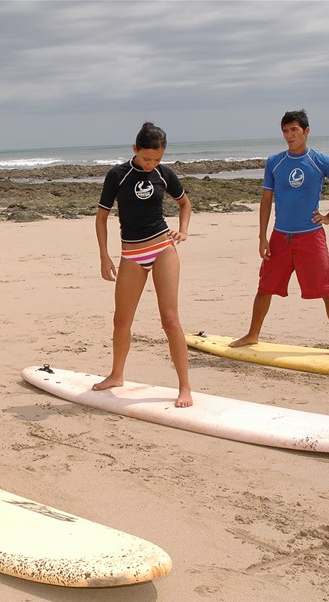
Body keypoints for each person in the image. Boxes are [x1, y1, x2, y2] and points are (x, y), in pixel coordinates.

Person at [229, 109, 329, 359]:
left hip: (311, 236)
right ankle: (252, 334)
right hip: (280, 237)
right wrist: (262, 237)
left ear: (306, 131)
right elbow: (267, 199)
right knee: (265, 287)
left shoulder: (320, 161)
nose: (289, 135)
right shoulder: (275, 162)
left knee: (328, 290)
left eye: (294, 130)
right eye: (285, 131)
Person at [92, 122, 194, 407]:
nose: (152, 164)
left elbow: (185, 204)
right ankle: (116, 375)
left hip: (163, 249)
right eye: (147, 158)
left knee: (170, 319)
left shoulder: (164, 173)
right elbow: (101, 218)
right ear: (135, 149)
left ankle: (184, 387)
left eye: (157, 159)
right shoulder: (118, 175)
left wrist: (183, 231)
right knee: (121, 320)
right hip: (131, 255)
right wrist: (104, 255)